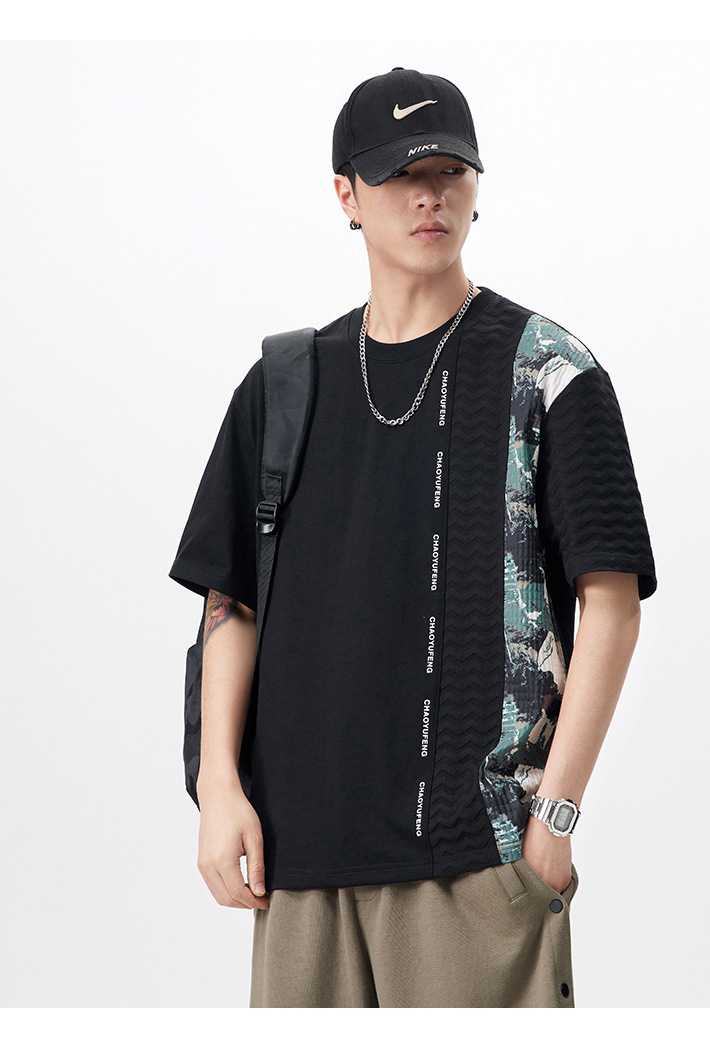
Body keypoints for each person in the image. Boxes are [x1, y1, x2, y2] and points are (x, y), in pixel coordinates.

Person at [169, 67, 657, 1008]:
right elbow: (231, 602)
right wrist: (218, 788)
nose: (430, 195)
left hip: (475, 863)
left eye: (449, 171)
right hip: (300, 864)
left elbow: (612, 599)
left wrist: (553, 821)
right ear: (346, 195)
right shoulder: (282, 384)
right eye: (399, 174)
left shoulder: (549, 372)